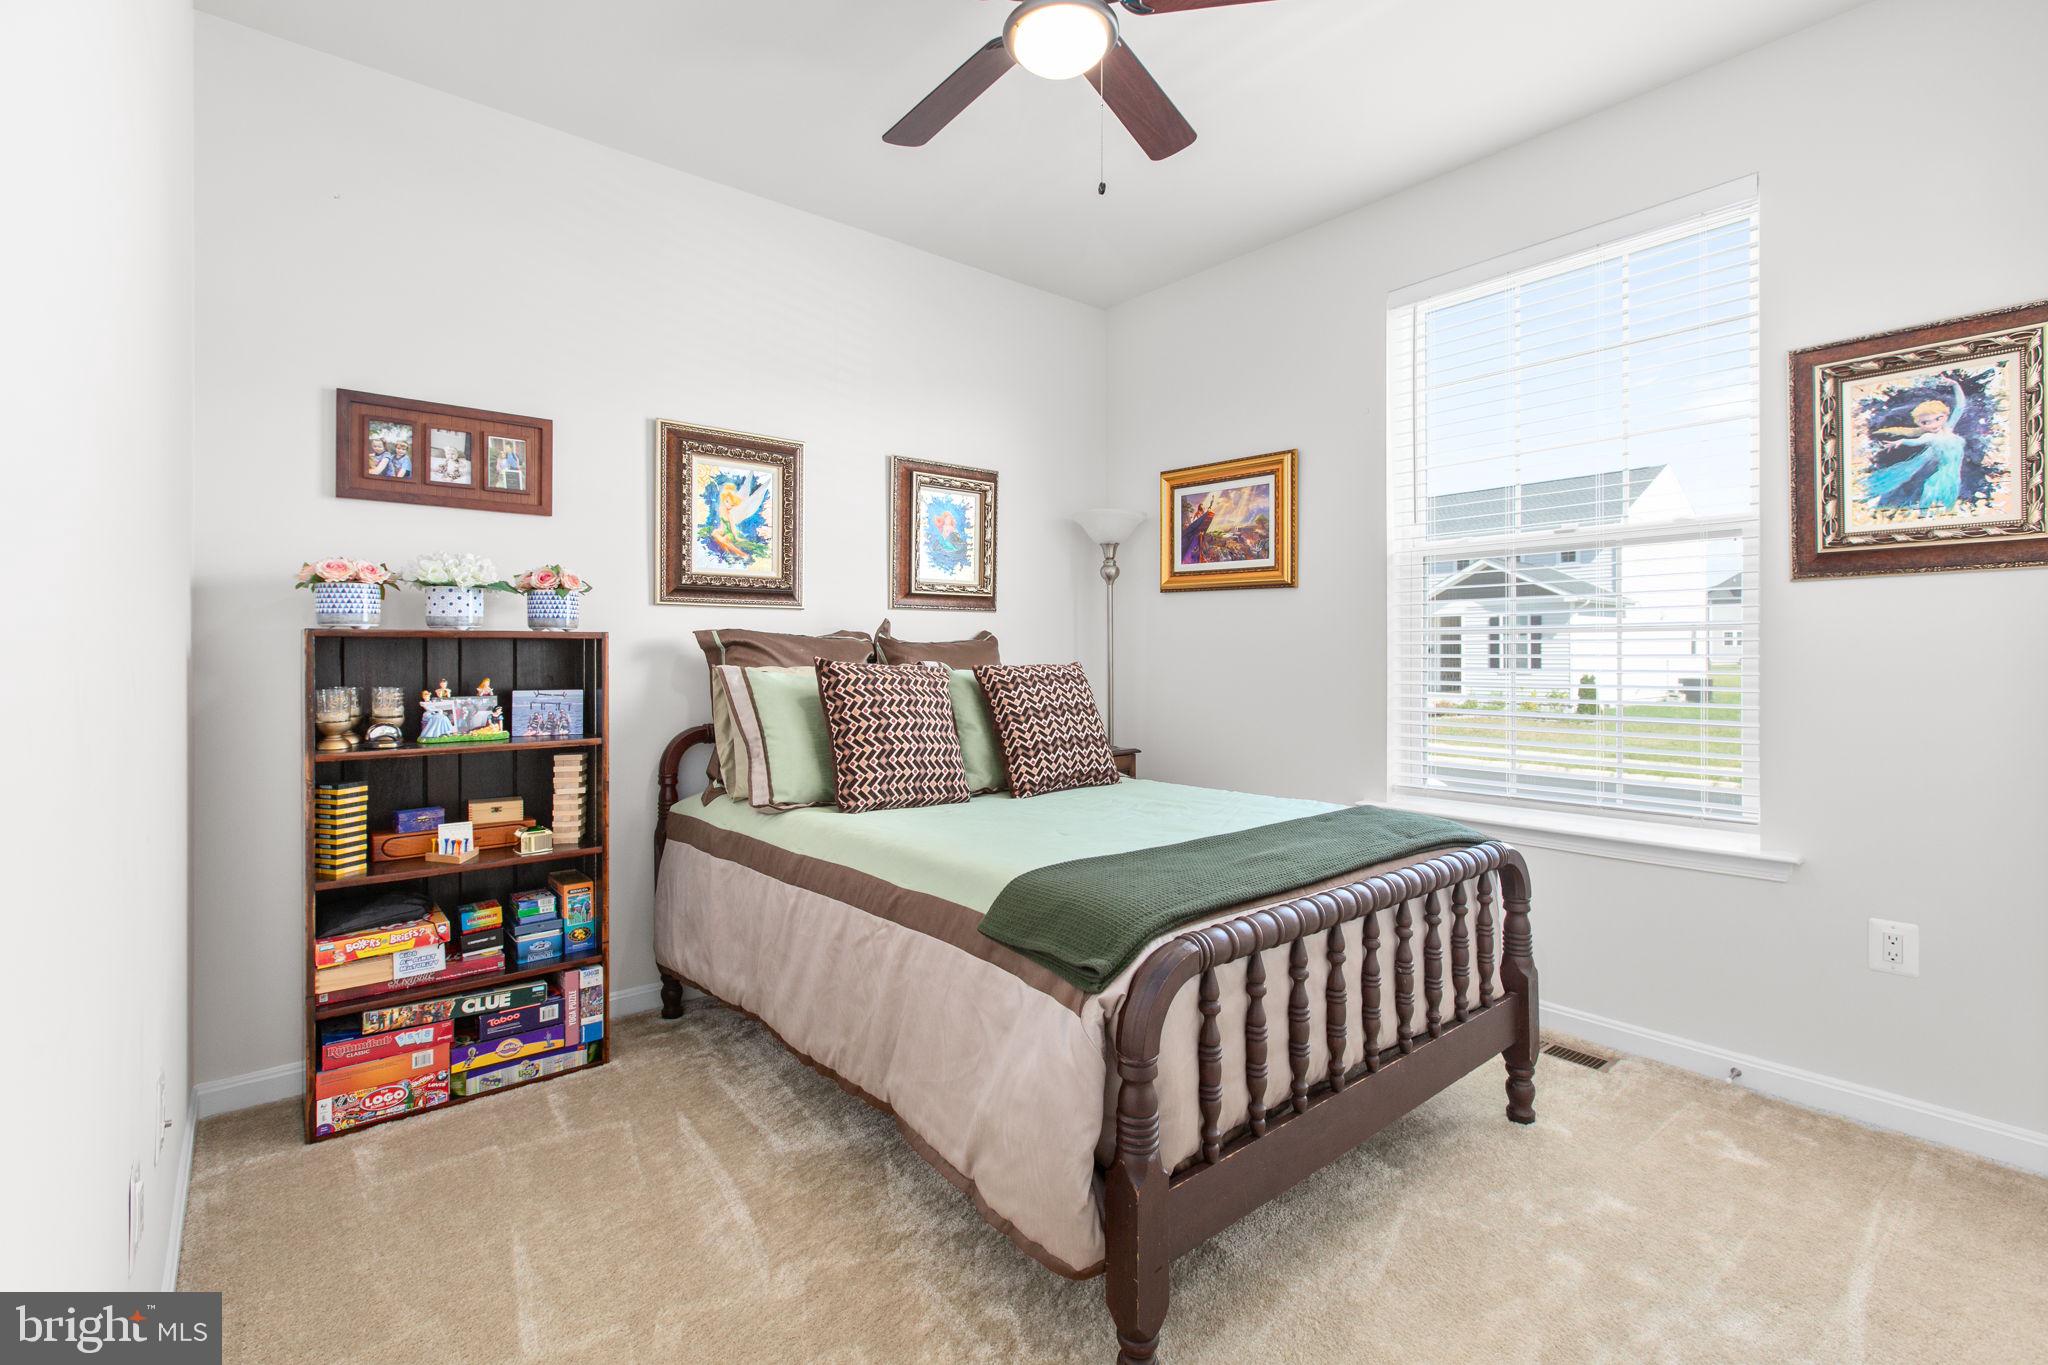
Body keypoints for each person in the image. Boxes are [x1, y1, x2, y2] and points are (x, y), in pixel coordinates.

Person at [1863, 373, 1969, 512]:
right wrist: (1900, 441)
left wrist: (1955, 385)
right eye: (1926, 422)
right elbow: (1914, 441)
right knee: (1935, 504)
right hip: (1941, 478)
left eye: (1938, 418)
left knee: (1947, 504)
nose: (1933, 424)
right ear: (1919, 424)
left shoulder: (1949, 427)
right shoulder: (1930, 437)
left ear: (1946, 416)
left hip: (1955, 477)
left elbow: (1960, 406)